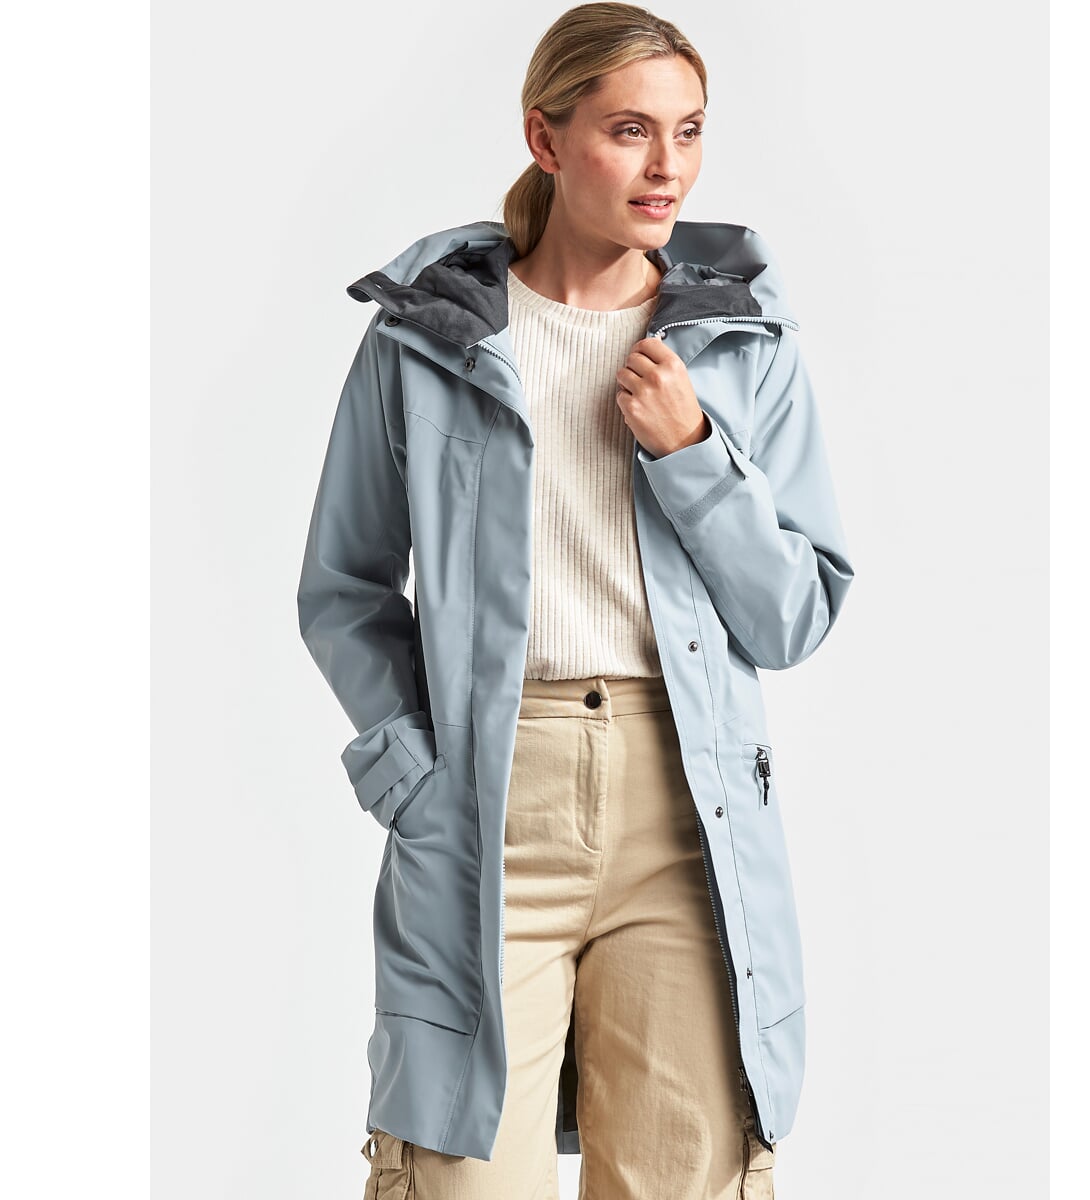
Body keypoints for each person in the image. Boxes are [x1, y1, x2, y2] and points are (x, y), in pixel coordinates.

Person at [296, 4, 855, 1197]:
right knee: (454, 1172)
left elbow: (794, 615)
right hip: (487, 798)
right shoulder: (426, 341)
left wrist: (693, 454)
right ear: (546, 140)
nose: (667, 167)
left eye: (688, 131)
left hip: (685, 808)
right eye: (630, 130)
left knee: (683, 1178)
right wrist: (413, 770)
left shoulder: (741, 346)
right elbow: (344, 582)